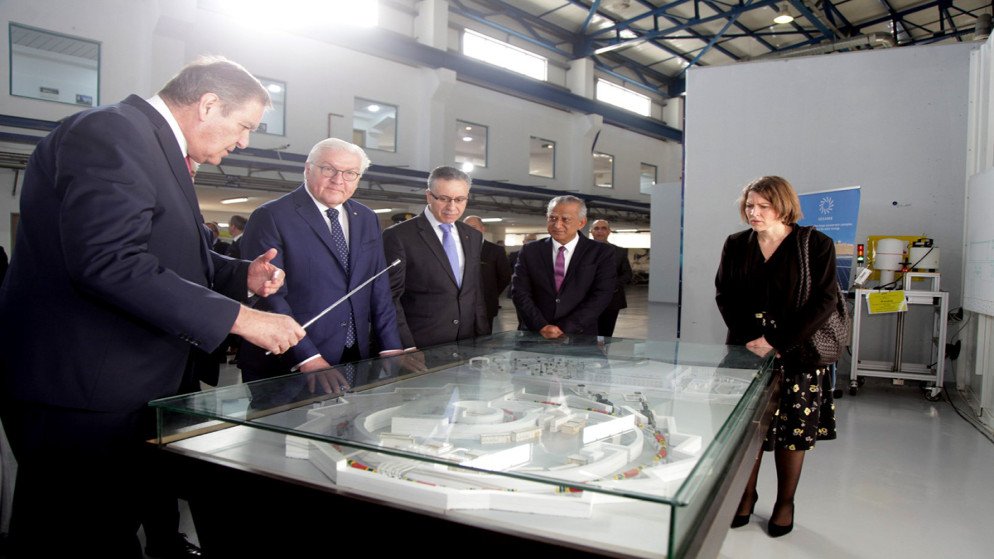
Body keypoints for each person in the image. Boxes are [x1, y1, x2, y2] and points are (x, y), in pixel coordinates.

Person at [0, 56, 306, 558]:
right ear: (209, 105)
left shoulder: (154, 144)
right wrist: (242, 319)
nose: (244, 142)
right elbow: (108, 260)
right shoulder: (113, 133)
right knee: (71, 537)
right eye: (244, 125)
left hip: (122, 382)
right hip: (82, 391)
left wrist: (240, 275)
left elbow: (163, 251)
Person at [714, 175, 838, 538]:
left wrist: (777, 341)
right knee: (747, 430)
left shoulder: (815, 244)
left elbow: (825, 300)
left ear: (783, 207)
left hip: (798, 352)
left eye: (763, 206)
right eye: (749, 205)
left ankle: (786, 502)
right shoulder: (736, 244)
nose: (753, 212)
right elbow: (724, 294)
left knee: (792, 433)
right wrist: (752, 339)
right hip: (748, 350)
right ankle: (745, 495)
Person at [237, 138, 405, 394]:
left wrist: (390, 346)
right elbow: (268, 295)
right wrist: (307, 356)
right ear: (308, 169)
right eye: (328, 169)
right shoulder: (271, 216)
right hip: (289, 361)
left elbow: (378, 285)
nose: (339, 180)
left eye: (350, 173)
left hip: (355, 354)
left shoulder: (367, 218)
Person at [382, 166, 489, 349]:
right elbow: (390, 298)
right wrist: (406, 346)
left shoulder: (472, 236)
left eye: (459, 199)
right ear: (429, 196)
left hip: (467, 342)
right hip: (421, 344)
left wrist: (483, 338)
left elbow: (475, 291)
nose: (452, 207)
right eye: (443, 199)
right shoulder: (399, 236)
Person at [511, 195, 616, 339]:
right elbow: (520, 291)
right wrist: (541, 325)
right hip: (535, 332)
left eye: (565, 219)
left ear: (581, 222)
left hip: (580, 335)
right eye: (553, 218)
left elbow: (602, 294)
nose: (557, 225)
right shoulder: (530, 251)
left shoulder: (601, 252)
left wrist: (566, 327)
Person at [463, 215, 512, 332]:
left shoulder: (496, 250)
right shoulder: (457, 249)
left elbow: (505, 277)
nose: (469, 231)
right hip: (462, 306)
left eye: (473, 227)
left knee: (483, 338)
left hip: (486, 304)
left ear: (482, 229)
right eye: (465, 228)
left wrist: (490, 292)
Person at [589, 219, 633, 337]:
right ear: (591, 231)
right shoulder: (581, 251)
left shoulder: (620, 252)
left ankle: (602, 348)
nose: (600, 231)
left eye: (603, 228)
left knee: (606, 333)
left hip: (612, 300)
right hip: (586, 300)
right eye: (596, 228)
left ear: (609, 231)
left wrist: (612, 285)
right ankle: (588, 349)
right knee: (587, 333)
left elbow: (627, 274)